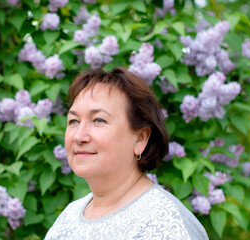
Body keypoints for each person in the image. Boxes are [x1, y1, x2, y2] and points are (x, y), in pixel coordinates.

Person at [44, 67, 209, 239]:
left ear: (140, 139)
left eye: (99, 120)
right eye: (74, 121)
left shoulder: (164, 223)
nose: (79, 136)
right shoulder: (69, 217)